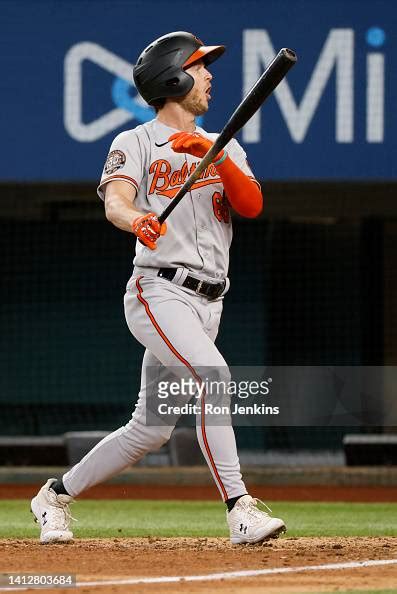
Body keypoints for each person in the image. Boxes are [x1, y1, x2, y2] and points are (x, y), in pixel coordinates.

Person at [31, 31, 286, 545]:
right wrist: (139, 221)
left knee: (150, 429)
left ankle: (53, 495)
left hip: (210, 301)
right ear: (173, 77)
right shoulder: (136, 142)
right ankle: (239, 508)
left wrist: (214, 158)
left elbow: (253, 206)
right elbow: (116, 203)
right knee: (213, 377)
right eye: (200, 66)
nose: (210, 75)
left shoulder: (225, 145)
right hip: (159, 291)